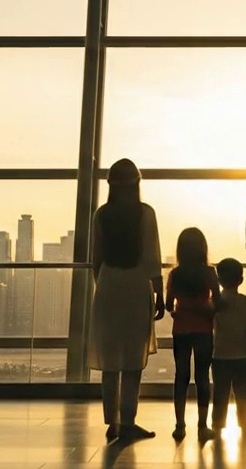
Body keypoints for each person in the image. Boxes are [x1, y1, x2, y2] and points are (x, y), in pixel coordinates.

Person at [89, 158, 164, 443]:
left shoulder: (101, 215)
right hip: (135, 284)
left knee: (110, 360)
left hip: (108, 284)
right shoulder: (145, 214)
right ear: (136, 183)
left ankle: (112, 422)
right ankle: (129, 421)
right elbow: (152, 257)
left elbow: (96, 260)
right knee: (133, 358)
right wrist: (159, 294)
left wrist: (104, 283)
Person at [165, 227, 220, 443]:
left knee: (181, 376)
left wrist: (182, 308)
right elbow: (218, 300)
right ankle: (202, 425)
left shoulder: (175, 275)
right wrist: (203, 308)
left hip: (181, 330)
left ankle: (180, 425)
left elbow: (170, 305)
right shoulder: (208, 273)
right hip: (204, 330)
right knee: (202, 377)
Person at [210, 257, 246, 438]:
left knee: (220, 392)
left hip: (219, 354)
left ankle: (217, 424)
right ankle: (245, 425)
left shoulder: (215, 303)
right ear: (240, 279)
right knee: (243, 392)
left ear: (219, 280)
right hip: (243, 354)